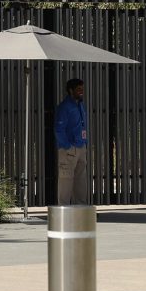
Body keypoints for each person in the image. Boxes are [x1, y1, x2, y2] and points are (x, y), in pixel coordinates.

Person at [53, 77, 90, 205]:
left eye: (82, 89)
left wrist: (85, 143)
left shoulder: (81, 105)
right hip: (69, 149)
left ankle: (80, 207)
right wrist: (67, 147)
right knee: (66, 179)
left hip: (81, 147)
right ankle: (63, 208)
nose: (81, 91)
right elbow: (59, 129)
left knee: (81, 179)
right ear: (70, 90)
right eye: (78, 89)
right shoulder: (64, 107)